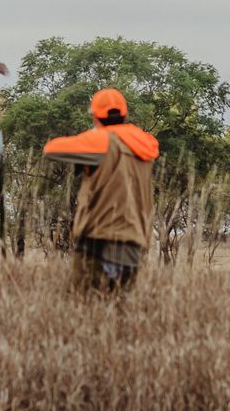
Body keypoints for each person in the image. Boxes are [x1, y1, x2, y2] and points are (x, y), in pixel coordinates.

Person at [42, 88, 159, 292]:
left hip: (99, 240)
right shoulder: (144, 143)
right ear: (124, 114)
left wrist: (91, 136)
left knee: (85, 308)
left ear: (96, 116)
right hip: (133, 241)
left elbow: (51, 149)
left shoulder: (101, 140)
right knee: (119, 310)